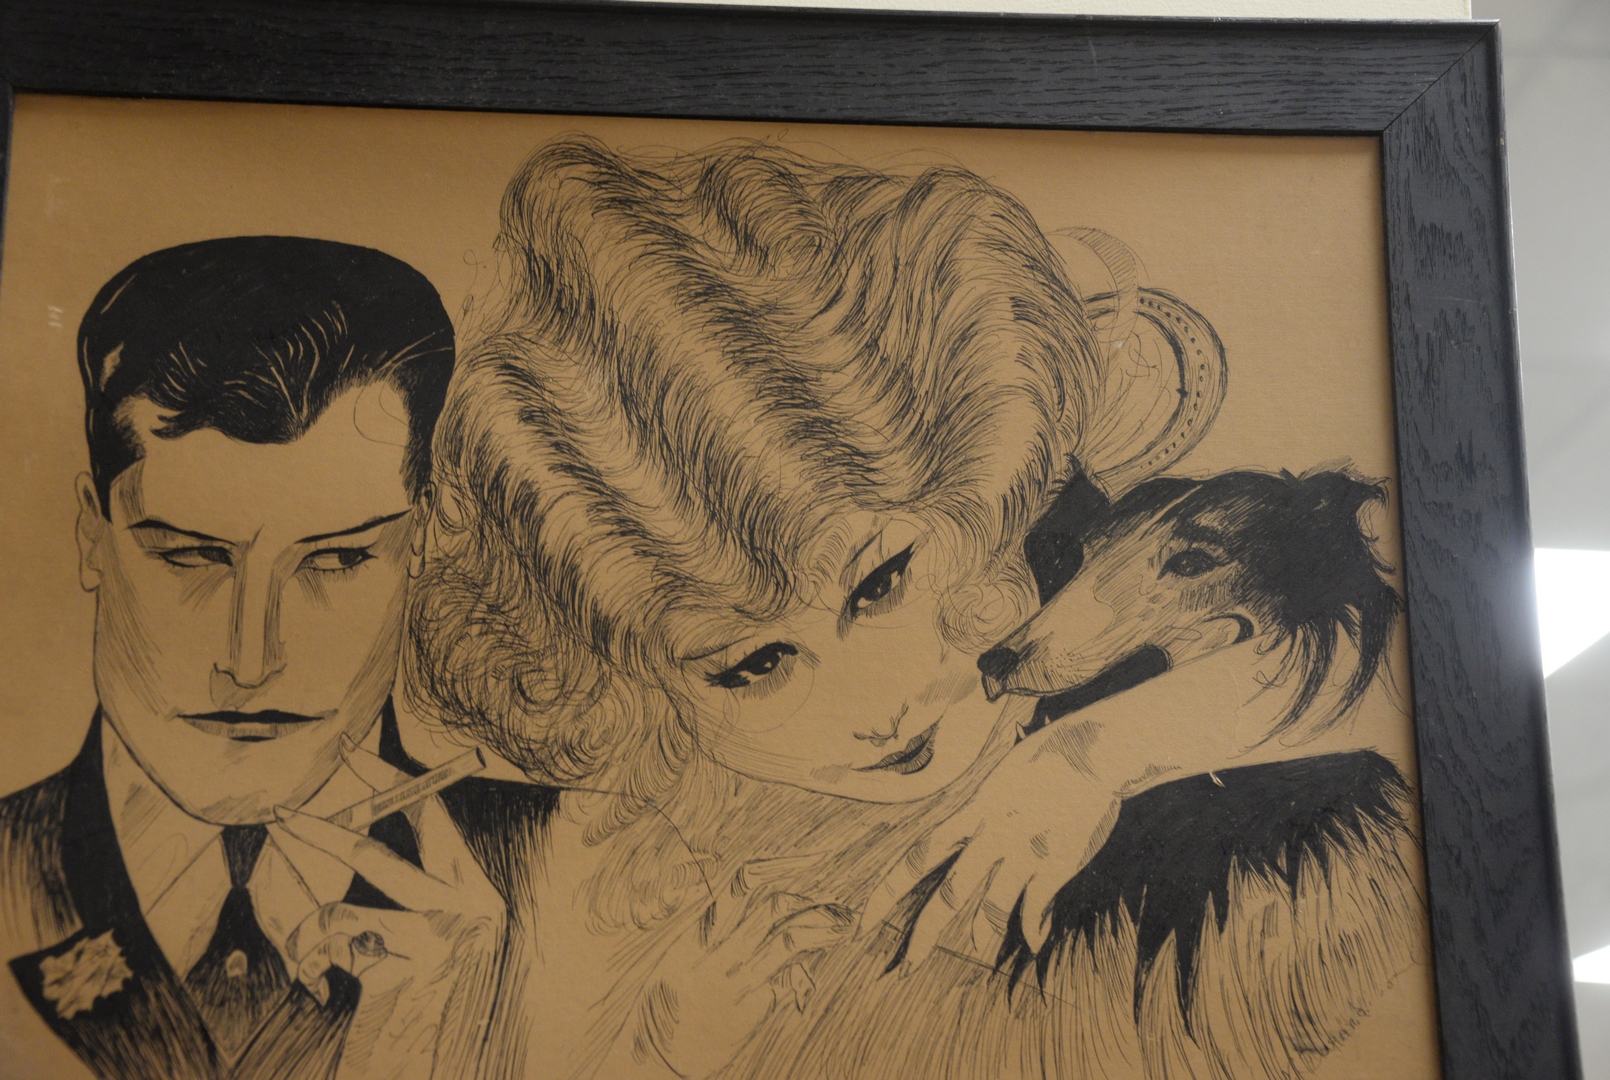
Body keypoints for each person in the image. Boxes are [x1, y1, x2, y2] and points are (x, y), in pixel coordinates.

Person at [409, 137, 1423, 1079]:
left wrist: (1097, 755)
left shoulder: (1200, 784)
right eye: (754, 663)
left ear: (980, 482)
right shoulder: (515, 861)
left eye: (881, 581)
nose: (879, 706)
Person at [0, 237, 554, 1080]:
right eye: (190, 557)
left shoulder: (586, 879)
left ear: (427, 539)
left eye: (336, 560)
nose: (251, 661)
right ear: (90, 534)